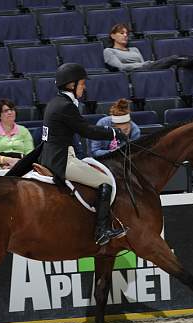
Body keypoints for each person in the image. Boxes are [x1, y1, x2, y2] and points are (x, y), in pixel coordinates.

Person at [39, 63, 129, 246]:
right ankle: (102, 230)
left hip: (52, 156)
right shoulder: (65, 106)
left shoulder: (55, 102)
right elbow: (86, 130)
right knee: (105, 182)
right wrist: (113, 132)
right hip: (62, 160)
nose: (84, 87)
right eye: (81, 83)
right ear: (71, 85)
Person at [103, 23, 193, 72]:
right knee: (175, 57)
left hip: (147, 68)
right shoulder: (109, 51)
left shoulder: (134, 50)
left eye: (126, 34)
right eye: (121, 33)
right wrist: (142, 65)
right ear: (113, 35)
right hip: (138, 72)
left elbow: (143, 64)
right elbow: (121, 67)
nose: (125, 36)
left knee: (179, 64)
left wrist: (144, 64)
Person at [0, 99, 35, 170]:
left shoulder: (24, 130)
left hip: (21, 166)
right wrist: (9, 160)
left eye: (12, 110)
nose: (10, 112)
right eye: (6, 111)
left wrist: (20, 164)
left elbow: (30, 153)